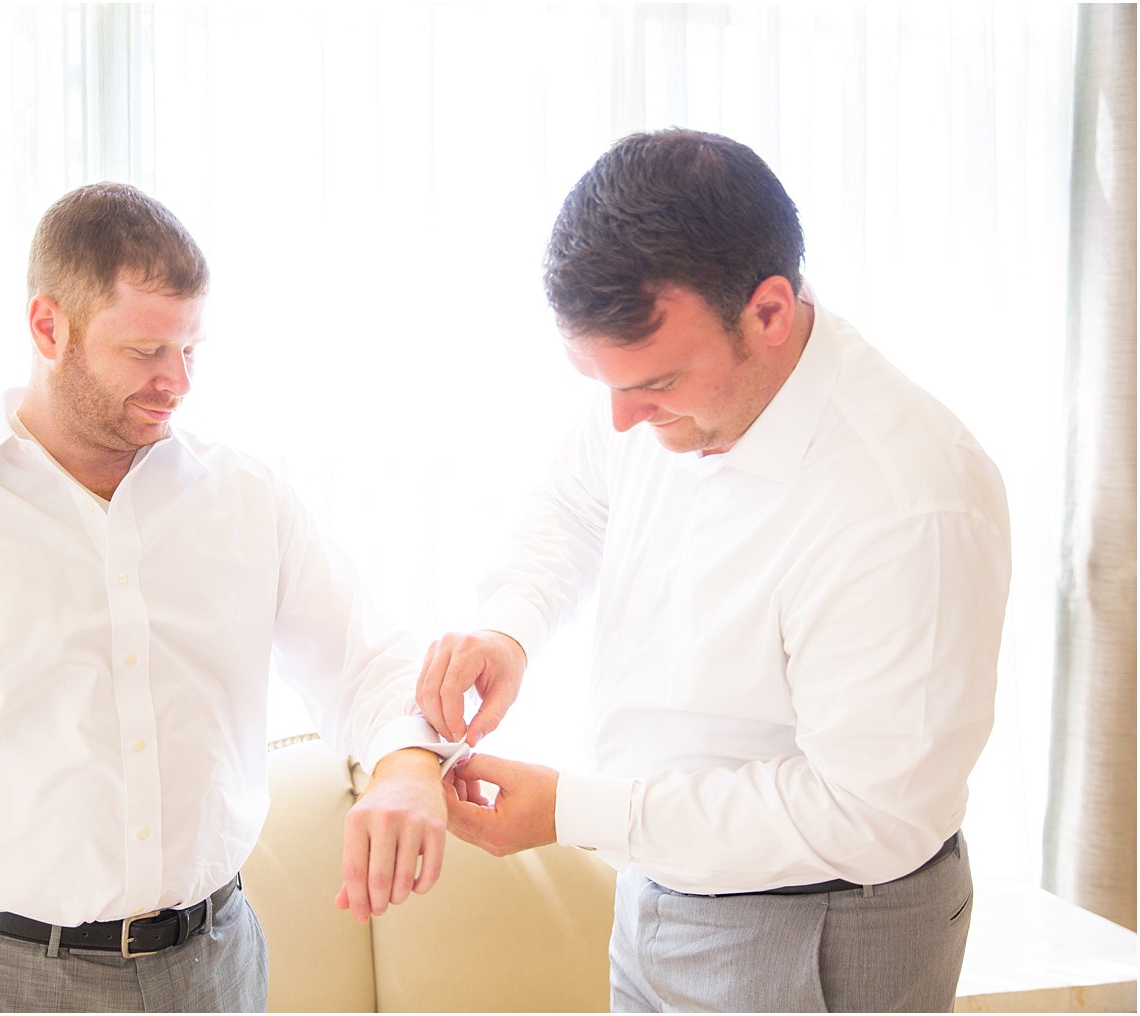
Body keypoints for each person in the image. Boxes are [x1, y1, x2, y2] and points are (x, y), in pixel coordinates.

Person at [0, 183, 455, 1013]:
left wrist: (404, 766)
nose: (176, 382)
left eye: (192, 349)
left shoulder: (246, 502)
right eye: (146, 350)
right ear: (49, 327)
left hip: (216, 968)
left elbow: (369, 661)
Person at [417, 129, 1011, 1013]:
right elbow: (578, 500)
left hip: (818, 926)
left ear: (769, 312)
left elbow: (867, 817)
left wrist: (574, 813)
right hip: (659, 889)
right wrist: (511, 620)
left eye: (651, 383)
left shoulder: (906, 501)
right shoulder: (664, 396)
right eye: (600, 384)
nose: (620, 421)